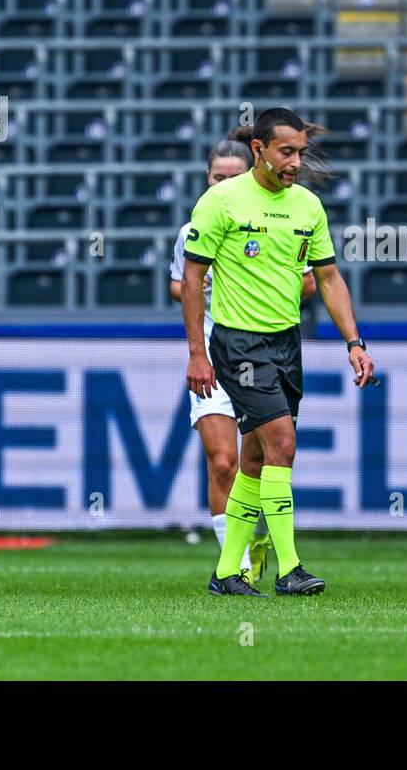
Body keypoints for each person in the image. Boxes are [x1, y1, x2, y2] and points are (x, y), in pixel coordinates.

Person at [183, 107, 375, 597]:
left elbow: (329, 277)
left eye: (299, 153)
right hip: (238, 343)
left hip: (286, 344)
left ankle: (227, 572)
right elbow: (191, 279)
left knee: (252, 460)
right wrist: (197, 354)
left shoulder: (308, 205)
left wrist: (353, 342)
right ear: (258, 150)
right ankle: (289, 567)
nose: (294, 162)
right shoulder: (221, 201)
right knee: (282, 445)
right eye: (285, 152)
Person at [170, 129, 317, 585]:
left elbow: (311, 278)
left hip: (265, 347)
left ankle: (239, 561)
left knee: (260, 458)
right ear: (207, 175)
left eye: (232, 176)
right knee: (222, 461)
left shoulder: (278, 213)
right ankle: (239, 561)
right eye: (217, 176)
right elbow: (180, 283)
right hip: (218, 350)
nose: (223, 184)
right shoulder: (198, 224)